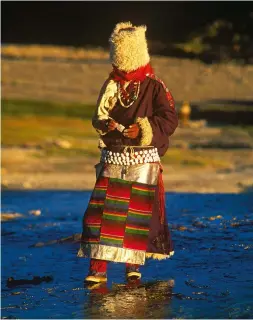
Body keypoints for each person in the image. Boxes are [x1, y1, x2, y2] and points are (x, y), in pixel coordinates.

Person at [77, 21, 178, 283]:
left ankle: (133, 266)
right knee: (102, 214)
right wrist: (106, 125)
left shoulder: (155, 85)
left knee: (137, 215)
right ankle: (98, 268)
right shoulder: (111, 84)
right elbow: (98, 116)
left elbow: (169, 120)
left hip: (143, 160)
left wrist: (143, 130)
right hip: (114, 156)